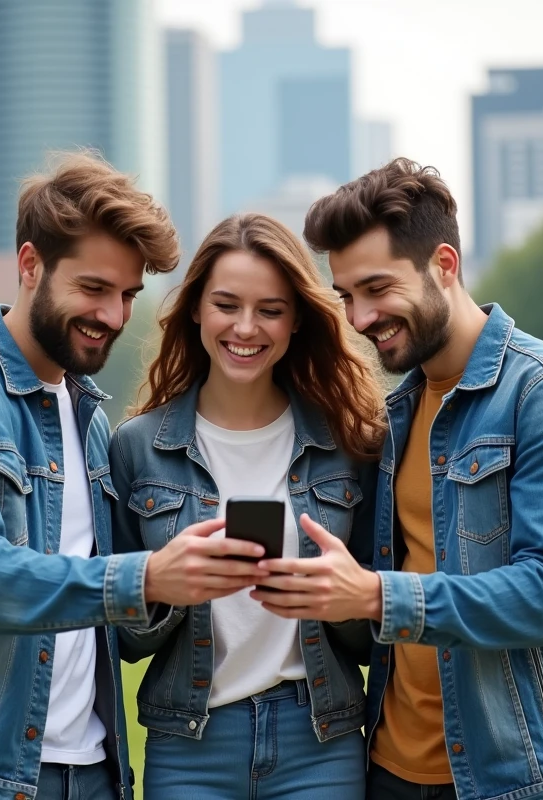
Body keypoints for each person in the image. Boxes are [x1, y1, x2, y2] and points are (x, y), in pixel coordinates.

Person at [0, 154, 266, 800]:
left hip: (95, 771)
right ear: (30, 265)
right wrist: (145, 577)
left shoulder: (90, 420)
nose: (114, 315)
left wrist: (188, 581)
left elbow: (114, 626)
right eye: (94, 288)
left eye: (128, 295)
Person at [247, 158, 543, 800]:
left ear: (443, 265)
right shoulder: (394, 415)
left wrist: (376, 596)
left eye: (377, 288)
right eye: (347, 296)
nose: (360, 317)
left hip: (515, 778)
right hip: (389, 769)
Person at [110, 213, 383, 799]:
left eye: (270, 310)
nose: (245, 327)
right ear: (195, 309)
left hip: (319, 741)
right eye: (226, 304)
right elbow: (123, 643)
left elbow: (370, 641)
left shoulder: (347, 445)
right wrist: (166, 587)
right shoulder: (136, 448)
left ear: (296, 320)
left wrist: (339, 600)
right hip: (190, 747)